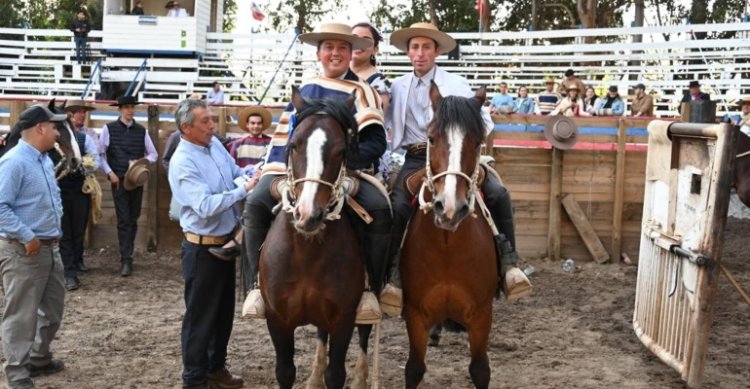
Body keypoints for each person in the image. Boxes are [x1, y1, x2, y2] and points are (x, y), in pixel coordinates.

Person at [242, 23, 389, 324]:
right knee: (255, 203)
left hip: (345, 171)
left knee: (380, 209)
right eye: (329, 48)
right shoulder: (305, 88)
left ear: (351, 53)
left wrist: (346, 164)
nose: (335, 53)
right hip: (294, 169)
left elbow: (375, 142)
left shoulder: (364, 91)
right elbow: (287, 137)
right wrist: (272, 170)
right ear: (319, 53)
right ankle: (254, 287)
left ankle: (371, 289)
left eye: (342, 48)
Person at [382, 22, 531, 316]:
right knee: (397, 205)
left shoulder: (457, 83)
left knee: (498, 193)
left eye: (426, 47)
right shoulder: (397, 86)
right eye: (415, 47)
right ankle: (392, 277)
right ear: (408, 52)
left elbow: (484, 121)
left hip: (456, 155)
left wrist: (464, 134)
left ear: (437, 51)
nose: (420, 53)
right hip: (415, 158)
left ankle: (510, 265)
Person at [169, 98, 252, 389]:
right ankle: (194, 380)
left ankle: (215, 369)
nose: (212, 126)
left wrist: (251, 175)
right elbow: (204, 206)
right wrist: (243, 189)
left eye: (212, 119)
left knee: (222, 314)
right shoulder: (183, 161)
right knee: (200, 318)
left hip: (222, 243)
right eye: (205, 121)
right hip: (202, 249)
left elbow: (234, 172)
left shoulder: (213, 145)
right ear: (186, 127)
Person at [0, 104, 67, 389]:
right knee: (21, 314)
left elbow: (51, 199)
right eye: (54, 127)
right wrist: (28, 235)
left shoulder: (43, 160)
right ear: (40, 128)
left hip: (47, 247)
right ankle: (16, 374)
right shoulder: (15, 161)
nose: (57, 132)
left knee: (52, 311)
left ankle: (38, 359)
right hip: (24, 249)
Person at [99, 95, 158, 277]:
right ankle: (126, 259)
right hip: (118, 180)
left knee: (133, 218)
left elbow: (153, 154)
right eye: (126, 107)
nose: (130, 110)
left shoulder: (141, 131)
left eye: (132, 107)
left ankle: (128, 256)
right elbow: (100, 154)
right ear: (120, 110)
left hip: (135, 181)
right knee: (124, 220)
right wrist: (110, 173)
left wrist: (140, 163)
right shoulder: (108, 129)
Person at [208, 106, 272, 261]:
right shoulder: (237, 144)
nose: (256, 126)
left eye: (258, 123)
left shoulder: (270, 144)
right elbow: (231, 168)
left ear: (263, 125)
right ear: (247, 125)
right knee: (243, 221)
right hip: (243, 189)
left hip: (263, 190)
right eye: (253, 123)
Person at [59, 100, 99, 291]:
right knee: (66, 231)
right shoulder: (59, 139)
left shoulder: (86, 138)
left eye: (82, 112)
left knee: (78, 229)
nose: (81, 115)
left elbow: (94, 162)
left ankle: (75, 262)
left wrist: (84, 164)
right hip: (61, 189)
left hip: (79, 189)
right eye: (77, 112)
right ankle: (69, 270)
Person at [351, 22, 391, 113]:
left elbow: (376, 120)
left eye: (366, 40)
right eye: (354, 38)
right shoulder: (336, 74)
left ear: (375, 49)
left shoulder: (381, 84)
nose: (359, 43)